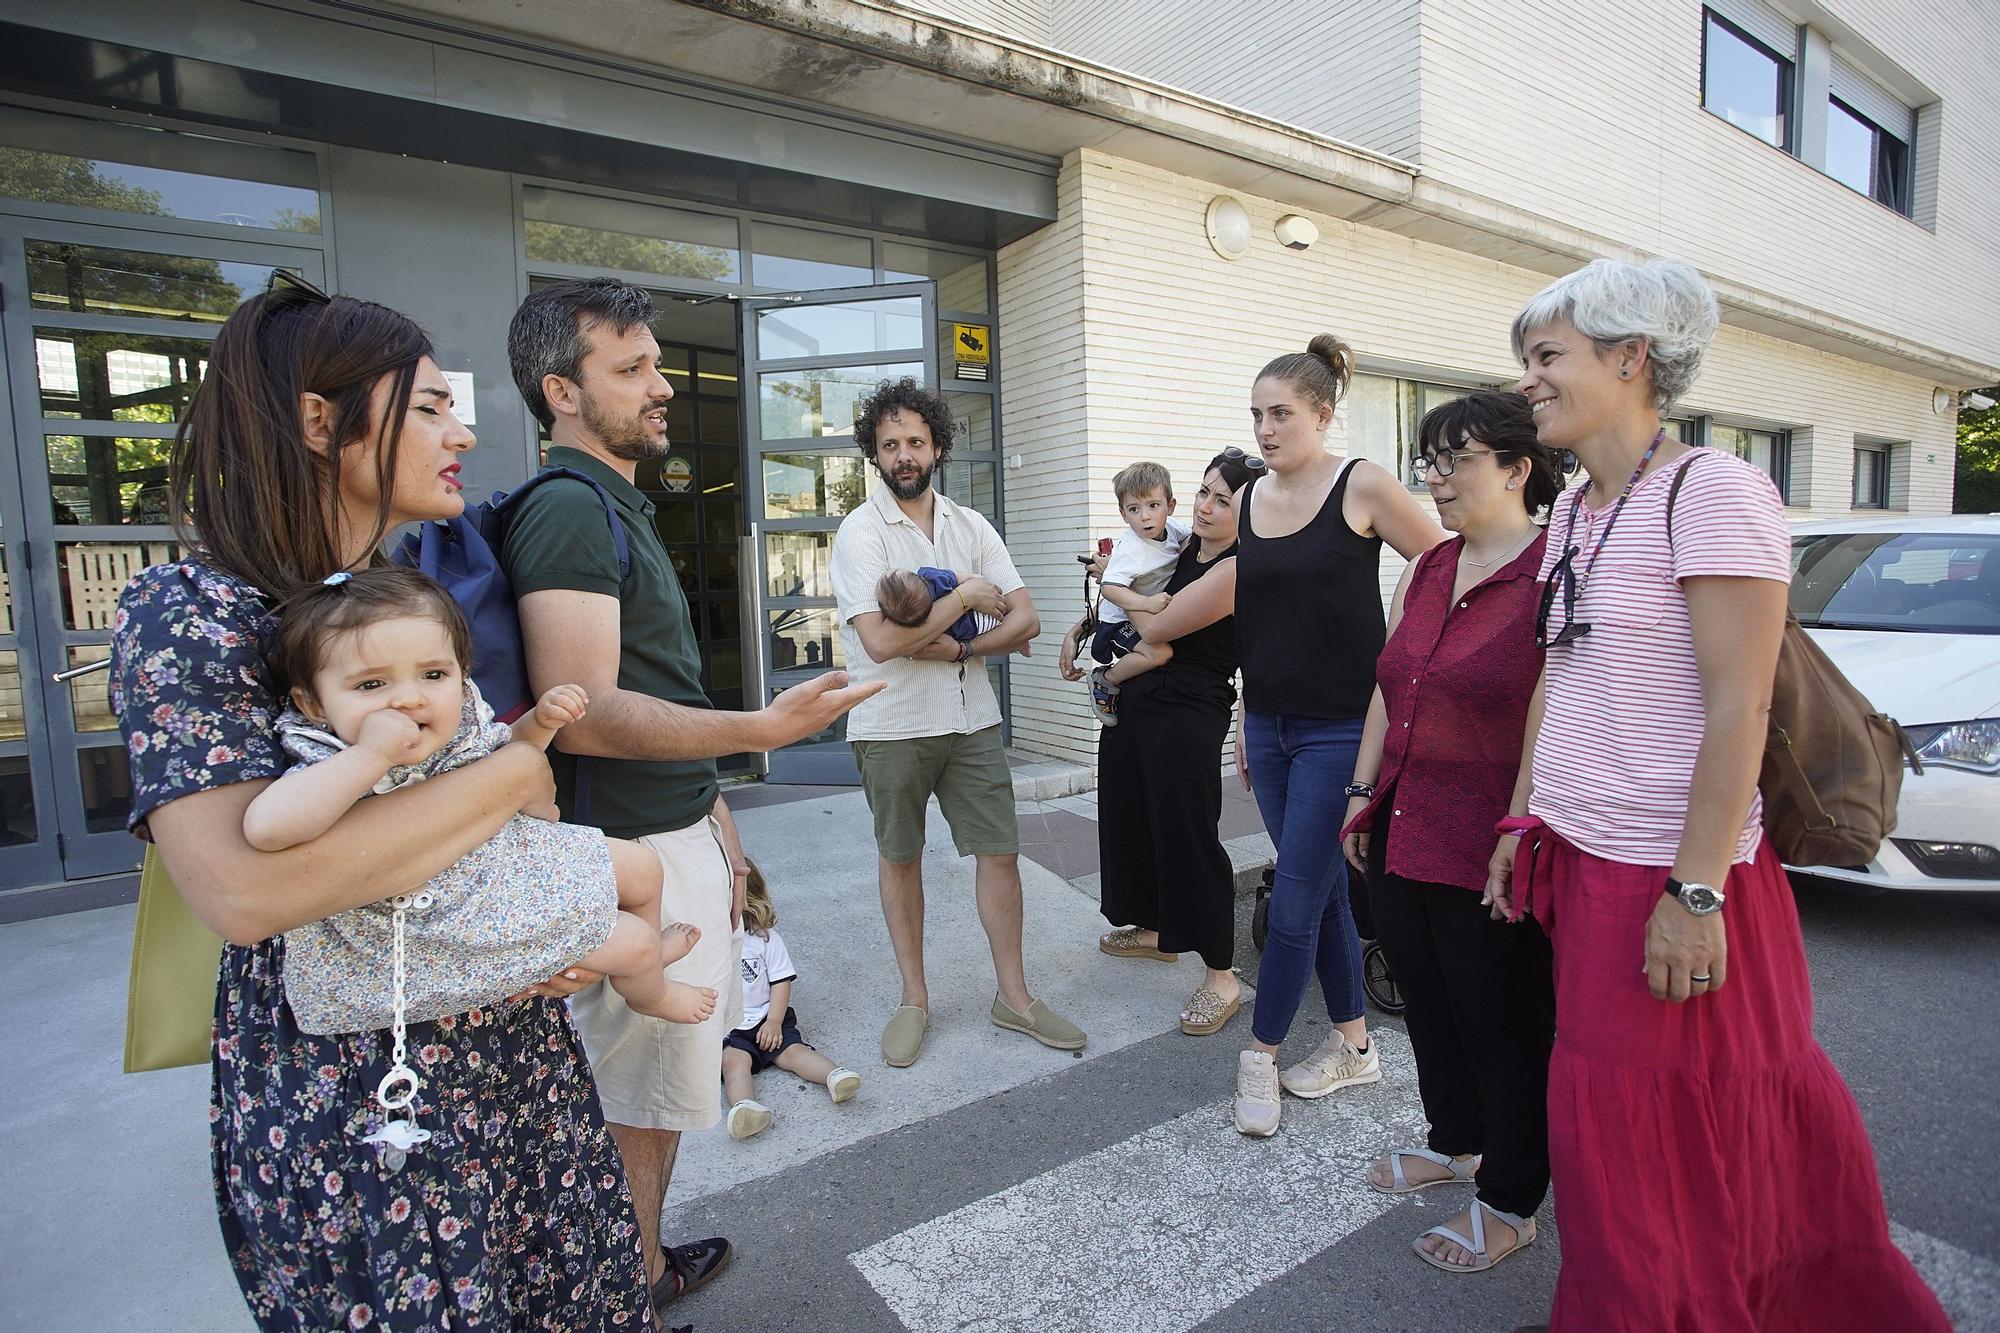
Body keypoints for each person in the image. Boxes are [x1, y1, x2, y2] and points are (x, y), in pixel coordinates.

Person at [108, 280, 657, 1327]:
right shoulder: (193, 611)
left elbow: (502, 828)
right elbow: (244, 889)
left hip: (510, 1045)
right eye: (429, 407)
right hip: (359, 1096)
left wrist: (550, 915)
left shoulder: (404, 596)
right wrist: (514, 765)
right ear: (321, 420)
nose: (461, 431)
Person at [1493, 257, 1947, 1330]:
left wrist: (1692, 894)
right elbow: (1560, 675)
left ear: (1629, 358)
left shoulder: (1714, 491)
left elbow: (1739, 708)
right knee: (1615, 1144)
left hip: (1679, 878)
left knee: (1667, 1140)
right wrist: (1523, 817)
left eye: (1545, 357)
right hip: (1585, 863)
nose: (1527, 381)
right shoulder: (1574, 514)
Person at [501, 277, 880, 1312]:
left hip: (671, 833)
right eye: (630, 369)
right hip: (628, 855)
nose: (659, 384)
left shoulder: (613, 502)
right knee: (637, 1092)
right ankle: (631, 1280)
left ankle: (636, 1260)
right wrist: (760, 731)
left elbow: (648, 694)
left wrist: (716, 818)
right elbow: (583, 711)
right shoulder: (572, 510)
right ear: (560, 393)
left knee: (655, 1086)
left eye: (652, 360)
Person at [247, 567, 715, 1033]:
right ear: (313, 704)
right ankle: (649, 991)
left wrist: (540, 722)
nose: (409, 698)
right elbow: (268, 828)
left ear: (461, 674)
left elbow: (503, 755)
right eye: (372, 685)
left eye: (433, 674)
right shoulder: (327, 754)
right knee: (629, 941)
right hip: (437, 915)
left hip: (494, 865)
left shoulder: (458, 721)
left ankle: (649, 952)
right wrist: (371, 755)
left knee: (642, 866)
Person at [1335, 393, 1557, 1273]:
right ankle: (1456, 1139)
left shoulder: (1553, 570)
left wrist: (1521, 821)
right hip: (1401, 817)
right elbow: (1390, 683)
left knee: (1500, 1016)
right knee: (1426, 997)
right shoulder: (1428, 568)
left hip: (1491, 836)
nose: (1435, 476)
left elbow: (1559, 709)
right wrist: (1361, 790)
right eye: (1429, 458)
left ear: (1516, 468)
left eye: (1455, 458)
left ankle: (1510, 1194)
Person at [828, 376, 1085, 1068]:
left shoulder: (970, 526)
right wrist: (968, 595)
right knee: (900, 857)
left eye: (915, 440)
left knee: (999, 854)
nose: (903, 454)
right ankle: (914, 998)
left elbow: (1026, 615)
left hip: (971, 718)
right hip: (890, 723)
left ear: (937, 445)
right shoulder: (860, 532)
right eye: (889, 444)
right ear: (874, 455)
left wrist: (962, 645)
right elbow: (879, 642)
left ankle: (1015, 997)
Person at [1231, 335, 1448, 1138]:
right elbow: (1258, 617)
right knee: (1317, 893)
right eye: (1257, 415)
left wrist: (1395, 657)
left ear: (1323, 413)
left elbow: (1443, 564)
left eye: (1281, 413)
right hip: (1271, 723)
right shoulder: (1251, 497)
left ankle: (1259, 1055)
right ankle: (1356, 1044)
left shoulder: (1360, 484)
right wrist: (1245, 719)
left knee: (1292, 897)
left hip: (1341, 730)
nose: (1265, 429)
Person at [1062, 451, 1254, 1035]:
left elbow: (1155, 626)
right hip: (1140, 696)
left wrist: (1117, 589)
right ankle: (1154, 929)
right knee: (1129, 815)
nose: (1206, 506)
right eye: (1203, 492)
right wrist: (1081, 629)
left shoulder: (1240, 565)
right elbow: (1124, 601)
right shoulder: (1179, 547)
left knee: (1186, 830)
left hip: (1189, 706)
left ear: (1248, 512)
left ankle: (1223, 975)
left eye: (1224, 500)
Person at [721, 860, 864, 1140]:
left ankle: (834, 1076)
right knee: (734, 1063)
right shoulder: (709, 943)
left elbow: (780, 982)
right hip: (730, 1027)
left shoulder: (765, 940)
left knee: (793, 1053)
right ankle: (746, 1107)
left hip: (768, 1015)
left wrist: (774, 1021)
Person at [1083, 460, 1192, 725]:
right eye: (1134, 509)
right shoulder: (1132, 550)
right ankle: (1105, 680)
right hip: (1117, 622)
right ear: (1123, 514)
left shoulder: (1174, 529)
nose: (1145, 516)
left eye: (1153, 506)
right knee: (1159, 653)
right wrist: (1145, 603)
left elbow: (1191, 542)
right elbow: (1109, 587)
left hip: (1139, 616)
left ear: (1170, 506)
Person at [875, 566, 1003, 645]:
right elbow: (957, 577)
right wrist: (975, 579)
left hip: (972, 631)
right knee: (1004, 610)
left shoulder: (923, 621)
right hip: (983, 610)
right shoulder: (932, 578)